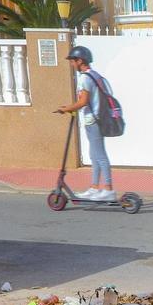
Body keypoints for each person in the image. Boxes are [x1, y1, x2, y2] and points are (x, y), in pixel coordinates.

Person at [57, 45, 115, 201]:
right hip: (97, 119)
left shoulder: (84, 78)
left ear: (80, 60)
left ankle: (108, 190)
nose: (71, 64)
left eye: (72, 61)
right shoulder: (95, 75)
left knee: (100, 155)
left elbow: (83, 102)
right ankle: (95, 188)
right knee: (94, 154)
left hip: (93, 120)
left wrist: (67, 109)